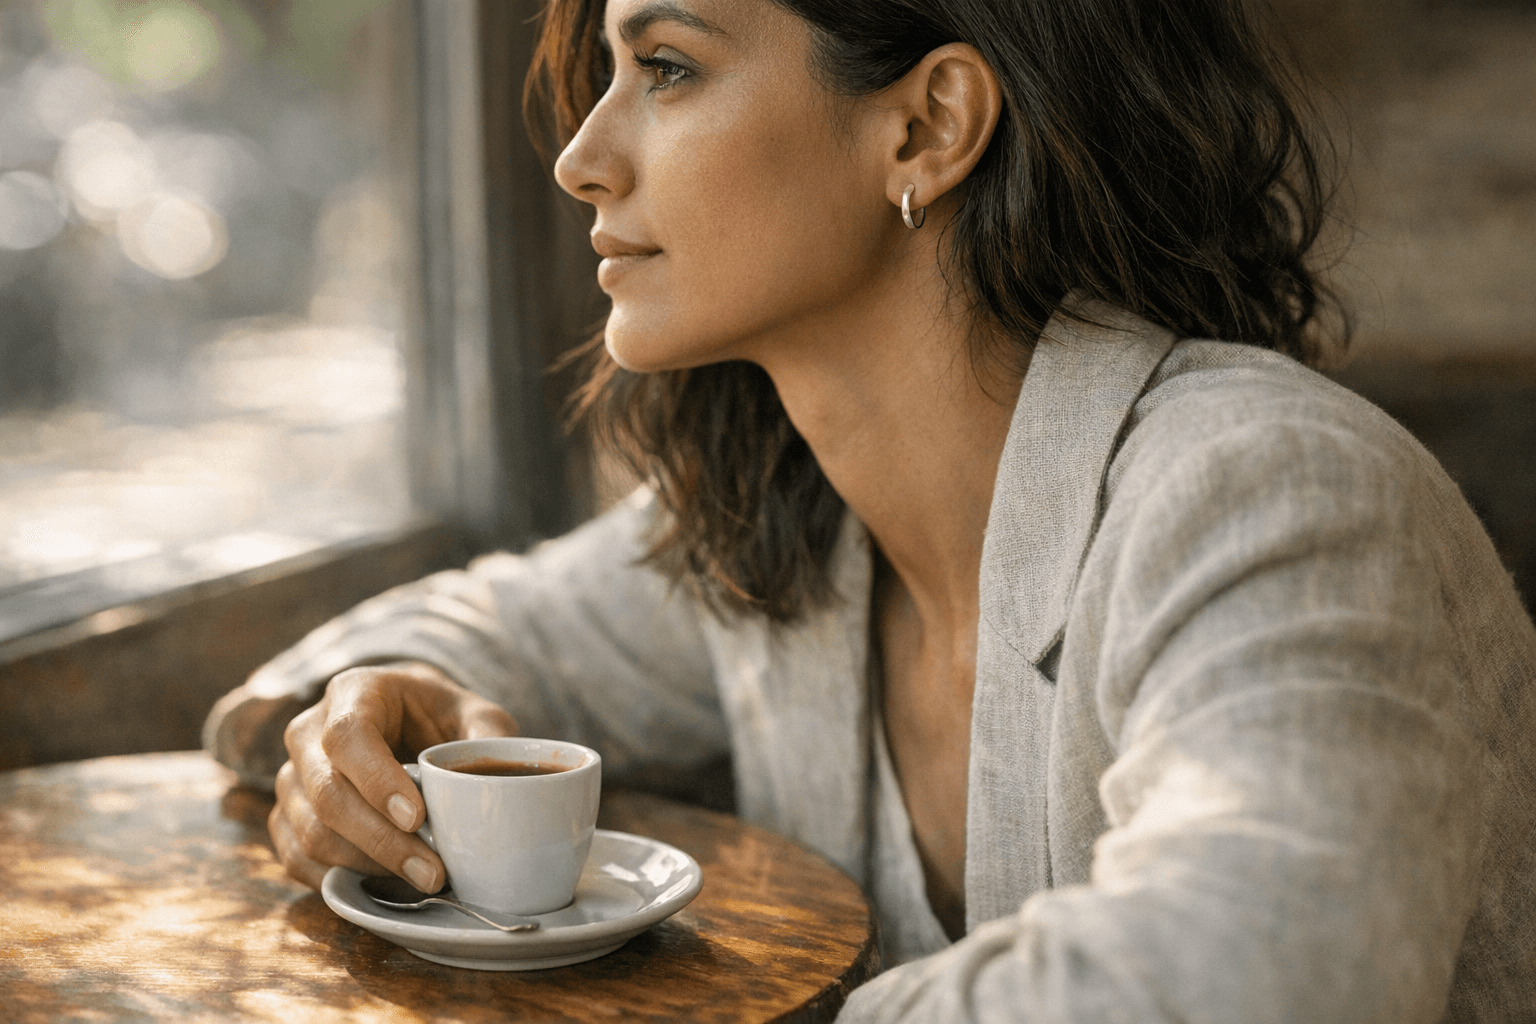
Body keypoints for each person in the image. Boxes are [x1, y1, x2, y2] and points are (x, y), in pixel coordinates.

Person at [204, 0, 1536, 1019]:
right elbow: (460, 637)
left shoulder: (1271, 496)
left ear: (926, 125)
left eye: (664, 66)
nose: (579, 159)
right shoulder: (789, 533)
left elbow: (1259, 971)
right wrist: (373, 718)